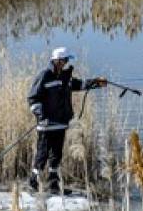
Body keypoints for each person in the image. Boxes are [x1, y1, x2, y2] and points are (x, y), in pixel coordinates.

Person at [27, 47, 106, 194]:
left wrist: (96, 83)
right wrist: (41, 116)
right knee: (42, 154)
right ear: (57, 60)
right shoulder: (45, 75)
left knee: (56, 155)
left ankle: (53, 185)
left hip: (60, 123)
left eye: (67, 60)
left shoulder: (65, 77)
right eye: (65, 60)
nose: (67, 63)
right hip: (46, 125)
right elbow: (33, 98)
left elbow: (79, 84)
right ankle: (33, 183)